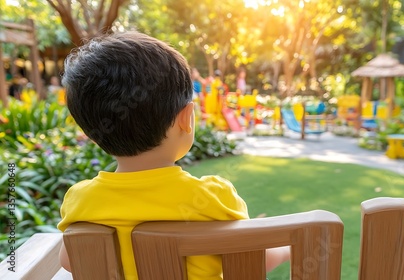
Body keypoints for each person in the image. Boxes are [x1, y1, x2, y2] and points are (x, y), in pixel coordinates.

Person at [57, 32, 289, 280]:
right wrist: (286, 249)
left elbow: (68, 261)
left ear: (92, 132)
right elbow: (251, 260)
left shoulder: (81, 201)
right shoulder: (213, 198)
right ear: (186, 117)